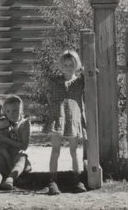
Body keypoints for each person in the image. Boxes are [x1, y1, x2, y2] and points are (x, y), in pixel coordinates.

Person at [44, 49, 87, 195]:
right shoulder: (55, 81)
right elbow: (49, 97)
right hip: (58, 118)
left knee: (74, 150)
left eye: (71, 64)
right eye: (65, 64)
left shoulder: (80, 82)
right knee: (55, 150)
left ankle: (77, 179)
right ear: (61, 65)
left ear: (76, 65)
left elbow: (94, 78)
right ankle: (52, 181)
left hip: (73, 118)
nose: (68, 67)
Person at [0, 94, 32, 189]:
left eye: (15, 111)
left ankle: (10, 179)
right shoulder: (3, 122)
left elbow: (24, 146)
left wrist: (6, 140)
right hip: (5, 156)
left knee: (22, 157)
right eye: (8, 111)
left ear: (21, 110)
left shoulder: (25, 124)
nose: (11, 114)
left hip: (17, 156)